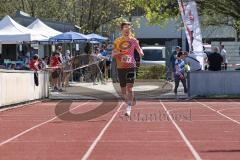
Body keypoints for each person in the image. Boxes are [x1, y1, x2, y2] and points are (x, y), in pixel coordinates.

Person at [112, 21, 144, 116]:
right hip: (121, 67)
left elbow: (139, 48)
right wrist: (121, 52)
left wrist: (141, 52)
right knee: (123, 91)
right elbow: (113, 54)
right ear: (122, 29)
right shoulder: (117, 41)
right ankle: (129, 102)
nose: (127, 29)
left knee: (129, 88)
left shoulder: (134, 40)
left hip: (131, 66)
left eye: (128, 28)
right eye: (125, 27)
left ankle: (128, 108)